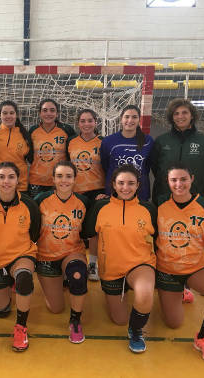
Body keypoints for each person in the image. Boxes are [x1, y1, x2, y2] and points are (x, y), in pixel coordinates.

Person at [156, 163, 204, 364]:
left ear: (192, 179)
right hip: (167, 270)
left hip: (196, 267)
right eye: (174, 180)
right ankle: (180, 291)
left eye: (183, 179)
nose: (178, 184)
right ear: (168, 182)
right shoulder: (159, 204)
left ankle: (203, 338)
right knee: (173, 323)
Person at [85, 164, 156, 353]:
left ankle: (136, 331)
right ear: (113, 185)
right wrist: (93, 263)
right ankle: (124, 292)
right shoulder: (100, 206)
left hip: (140, 263)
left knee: (145, 291)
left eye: (131, 183)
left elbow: (160, 238)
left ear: (138, 185)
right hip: (111, 269)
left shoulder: (148, 208)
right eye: (121, 183)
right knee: (119, 319)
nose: (126, 187)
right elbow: (91, 235)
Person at [151, 98, 204, 304]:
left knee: (189, 244)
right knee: (162, 240)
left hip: (193, 203)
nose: (180, 117)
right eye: (176, 113)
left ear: (192, 116)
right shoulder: (162, 141)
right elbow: (155, 168)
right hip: (164, 201)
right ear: (171, 116)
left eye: (184, 113)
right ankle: (162, 280)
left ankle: (186, 285)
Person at [0, 162, 40, 352]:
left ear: (18, 180)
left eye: (11, 177)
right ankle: (8, 286)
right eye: (2, 177)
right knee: (1, 310)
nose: (6, 181)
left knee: (23, 278)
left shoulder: (29, 204)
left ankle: (21, 327)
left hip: (21, 254)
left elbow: (35, 232)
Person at [34, 161, 89, 343]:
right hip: (46, 256)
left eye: (68, 176)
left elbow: (91, 230)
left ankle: (75, 321)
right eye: (59, 176)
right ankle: (60, 282)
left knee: (77, 274)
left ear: (75, 179)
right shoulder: (40, 200)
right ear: (53, 179)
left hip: (72, 252)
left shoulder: (83, 202)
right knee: (55, 308)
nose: (64, 180)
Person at [66, 109, 106, 281]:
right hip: (75, 191)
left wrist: (107, 191)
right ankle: (71, 261)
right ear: (78, 123)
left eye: (90, 121)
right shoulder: (72, 142)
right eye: (83, 121)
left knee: (94, 232)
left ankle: (92, 264)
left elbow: (109, 167)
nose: (86, 124)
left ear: (95, 123)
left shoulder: (103, 142)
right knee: (74, 228)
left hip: (97, 191)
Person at [100, 105, 154, 201]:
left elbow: (148, 166)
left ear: (139, 120)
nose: (130, 120)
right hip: (115, 193)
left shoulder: (148, 141)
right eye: (127, 117)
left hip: (140, 194)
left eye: (134, 117)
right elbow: (105, 166)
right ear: (121, 119)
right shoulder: (108, 141)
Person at [28, 99, 76, 198]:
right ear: (40, 113)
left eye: (52, 110)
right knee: (37, 211)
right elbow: (30, 155)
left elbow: (72, 153)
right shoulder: (33, 131)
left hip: (60, 180)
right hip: (37, 181)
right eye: (45, 110)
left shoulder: (66, 130)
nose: (48, 113)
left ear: (57, 113)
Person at [0, 101, 33, 194]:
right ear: (0, 115)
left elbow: (30, 158)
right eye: (5, 113)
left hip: (19, 184)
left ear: (16, 115)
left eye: (11, 113)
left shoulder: (25, 135)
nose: (8, 116)